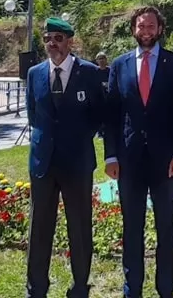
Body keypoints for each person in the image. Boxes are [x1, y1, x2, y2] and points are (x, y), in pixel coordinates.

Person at [104, 5, 173, 298]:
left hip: (166, 161)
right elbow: (112, 115)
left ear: (160, 29)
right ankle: (132, 289)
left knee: (166, 228)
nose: (146, 31)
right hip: (129, 161)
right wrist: (111, 155)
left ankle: (166, 289)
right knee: (132, 228)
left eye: (151, 26)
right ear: (133, 30)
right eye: (141, 26)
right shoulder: (119, 65)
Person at [26, 17, 104, 298]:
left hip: (77, 162)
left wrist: (78, 137)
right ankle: (36, 287)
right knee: (39, 228)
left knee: (80, 227)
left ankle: (80, 286)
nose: (52, 44)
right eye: (48, 39)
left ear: (70, 42)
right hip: (43, 162)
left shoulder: (90, 73)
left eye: (58, 39)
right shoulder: (34, 73)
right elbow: (34, 114)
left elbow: (98, 115)